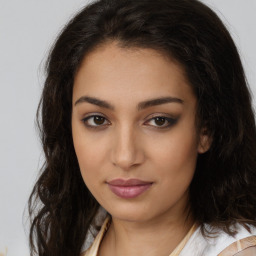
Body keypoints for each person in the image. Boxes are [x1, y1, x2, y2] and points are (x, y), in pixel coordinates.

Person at [28, 0, 256, 255]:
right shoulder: (67, 242)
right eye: (97, 119)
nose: (125, 157)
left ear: (206, 129)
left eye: (159, 120)